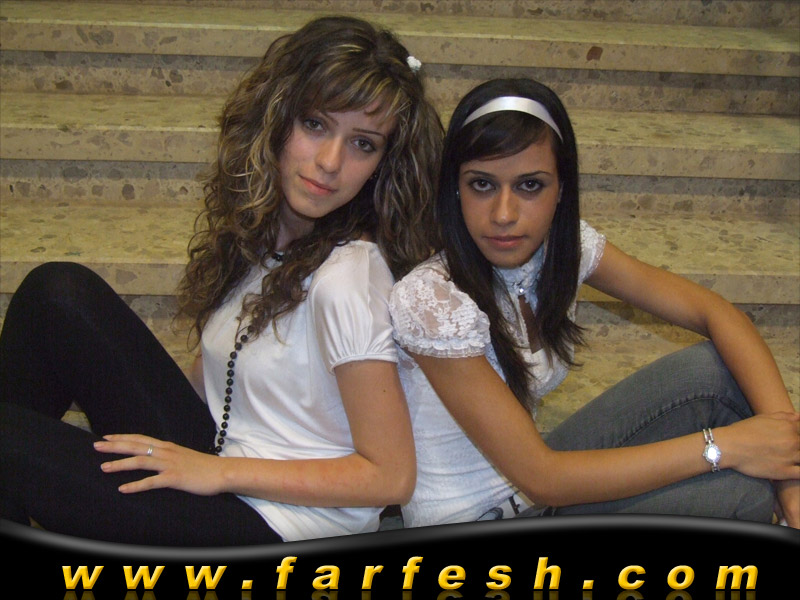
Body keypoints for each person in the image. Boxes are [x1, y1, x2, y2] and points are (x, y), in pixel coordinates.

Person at [0, 16, 443, 546]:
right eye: (315, 124)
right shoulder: (267, 237)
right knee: (57, 295)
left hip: (273, 527)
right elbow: (220, 381)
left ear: (384, 165)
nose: (330, 162)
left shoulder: (347, 280)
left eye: (363, 144)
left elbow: (390, 477)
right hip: (222, 460)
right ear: (275, 116)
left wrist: (215, 472)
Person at [389, 78, 800, 529]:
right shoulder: (432, 298)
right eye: (482, 184)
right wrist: (723, 447)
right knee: (739, 494)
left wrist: (789, 476)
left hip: (536, 491)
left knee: (716, 369)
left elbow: (715, 312)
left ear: (562, 189)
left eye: (530, 185)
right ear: (455, 188)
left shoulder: (560, 250)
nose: (504, 214)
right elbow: (544, 479)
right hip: (481, 518)